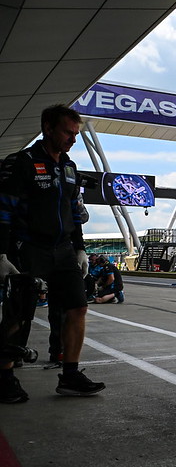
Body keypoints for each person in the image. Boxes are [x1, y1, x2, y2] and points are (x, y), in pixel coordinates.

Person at [0, 104, 105, 403]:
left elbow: (73, 212)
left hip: (63, 251)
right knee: (19, 313)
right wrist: (1, 254)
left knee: (78, 307)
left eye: (76, 134)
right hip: (27, 247)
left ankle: (70, 375)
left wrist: (81, 248)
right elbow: (3, 211)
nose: (73, 139)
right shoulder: (23, 163)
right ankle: (4, 376)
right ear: (47, 128)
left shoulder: (69, 168)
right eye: (67, 132)